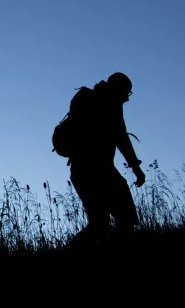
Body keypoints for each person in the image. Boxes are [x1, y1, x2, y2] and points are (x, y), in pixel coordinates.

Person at [63, 72, 146, 248]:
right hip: (98, 172)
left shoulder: (86, 98)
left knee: (100, 225)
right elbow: (121, 138)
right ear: (118, 89)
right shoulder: (109, 103)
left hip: (83, 171)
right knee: (122, 220)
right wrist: (136, 168)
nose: (127, 99)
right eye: (126, 93)